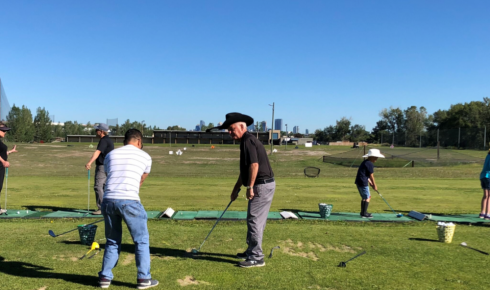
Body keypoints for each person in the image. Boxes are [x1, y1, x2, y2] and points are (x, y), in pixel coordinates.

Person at [207, 113, 275, 268]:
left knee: (254, 220)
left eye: (232, 129)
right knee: (256, 220)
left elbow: (254, 166)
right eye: (229, 130)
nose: (230, 133)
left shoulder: (248, 141)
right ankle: (252, 250)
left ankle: (256, 257)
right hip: (264, 184)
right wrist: (236, 189)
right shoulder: (246, 140)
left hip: (261, 185)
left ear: (243, 127)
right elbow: (245, 171)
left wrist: (250, 187)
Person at [98, 129, 158, 289]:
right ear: (139, 142)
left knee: (112, 241)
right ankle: (144, 279)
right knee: (141, 241)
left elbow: (109, 174)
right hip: (130, 201)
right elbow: (140, 181)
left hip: (108, 200)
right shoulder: (145, 156)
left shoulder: (111, 155)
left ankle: (105, 277)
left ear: (125, 141)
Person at [85, 123, 114, 215]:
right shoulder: (108, 140)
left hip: (102, 166)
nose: (95, 131)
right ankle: (108, 207)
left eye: (97, 130)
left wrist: (89, 162)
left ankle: (102, 208)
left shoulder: (103, 140)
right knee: (105, 187)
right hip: (108, 166)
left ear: (101, 131)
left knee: (98, 186)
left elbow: (97, 152)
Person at [355, 149, 384, 218]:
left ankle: (363, 212)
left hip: (359, 181)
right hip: (363, 182)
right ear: (372, 157)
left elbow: (364, 174)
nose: (376, 159)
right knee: (368, 197)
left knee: (364, 197)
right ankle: (364, 213)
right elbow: (371, 175)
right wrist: (374, 185)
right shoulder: (369, 164)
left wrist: (370, 182)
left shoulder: (365, 162)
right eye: (376, 157)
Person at [0, 122, 17, 214]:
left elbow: (1, 154)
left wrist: (10, 151)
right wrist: (3, 162)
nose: (5, 132)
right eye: (3, 130)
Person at [479, 148, 490, 220]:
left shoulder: (488, 155)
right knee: (488, 196)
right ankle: (487, 213)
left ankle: (483, 213)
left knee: (486, 195)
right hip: (488, 176)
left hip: (483, 176)